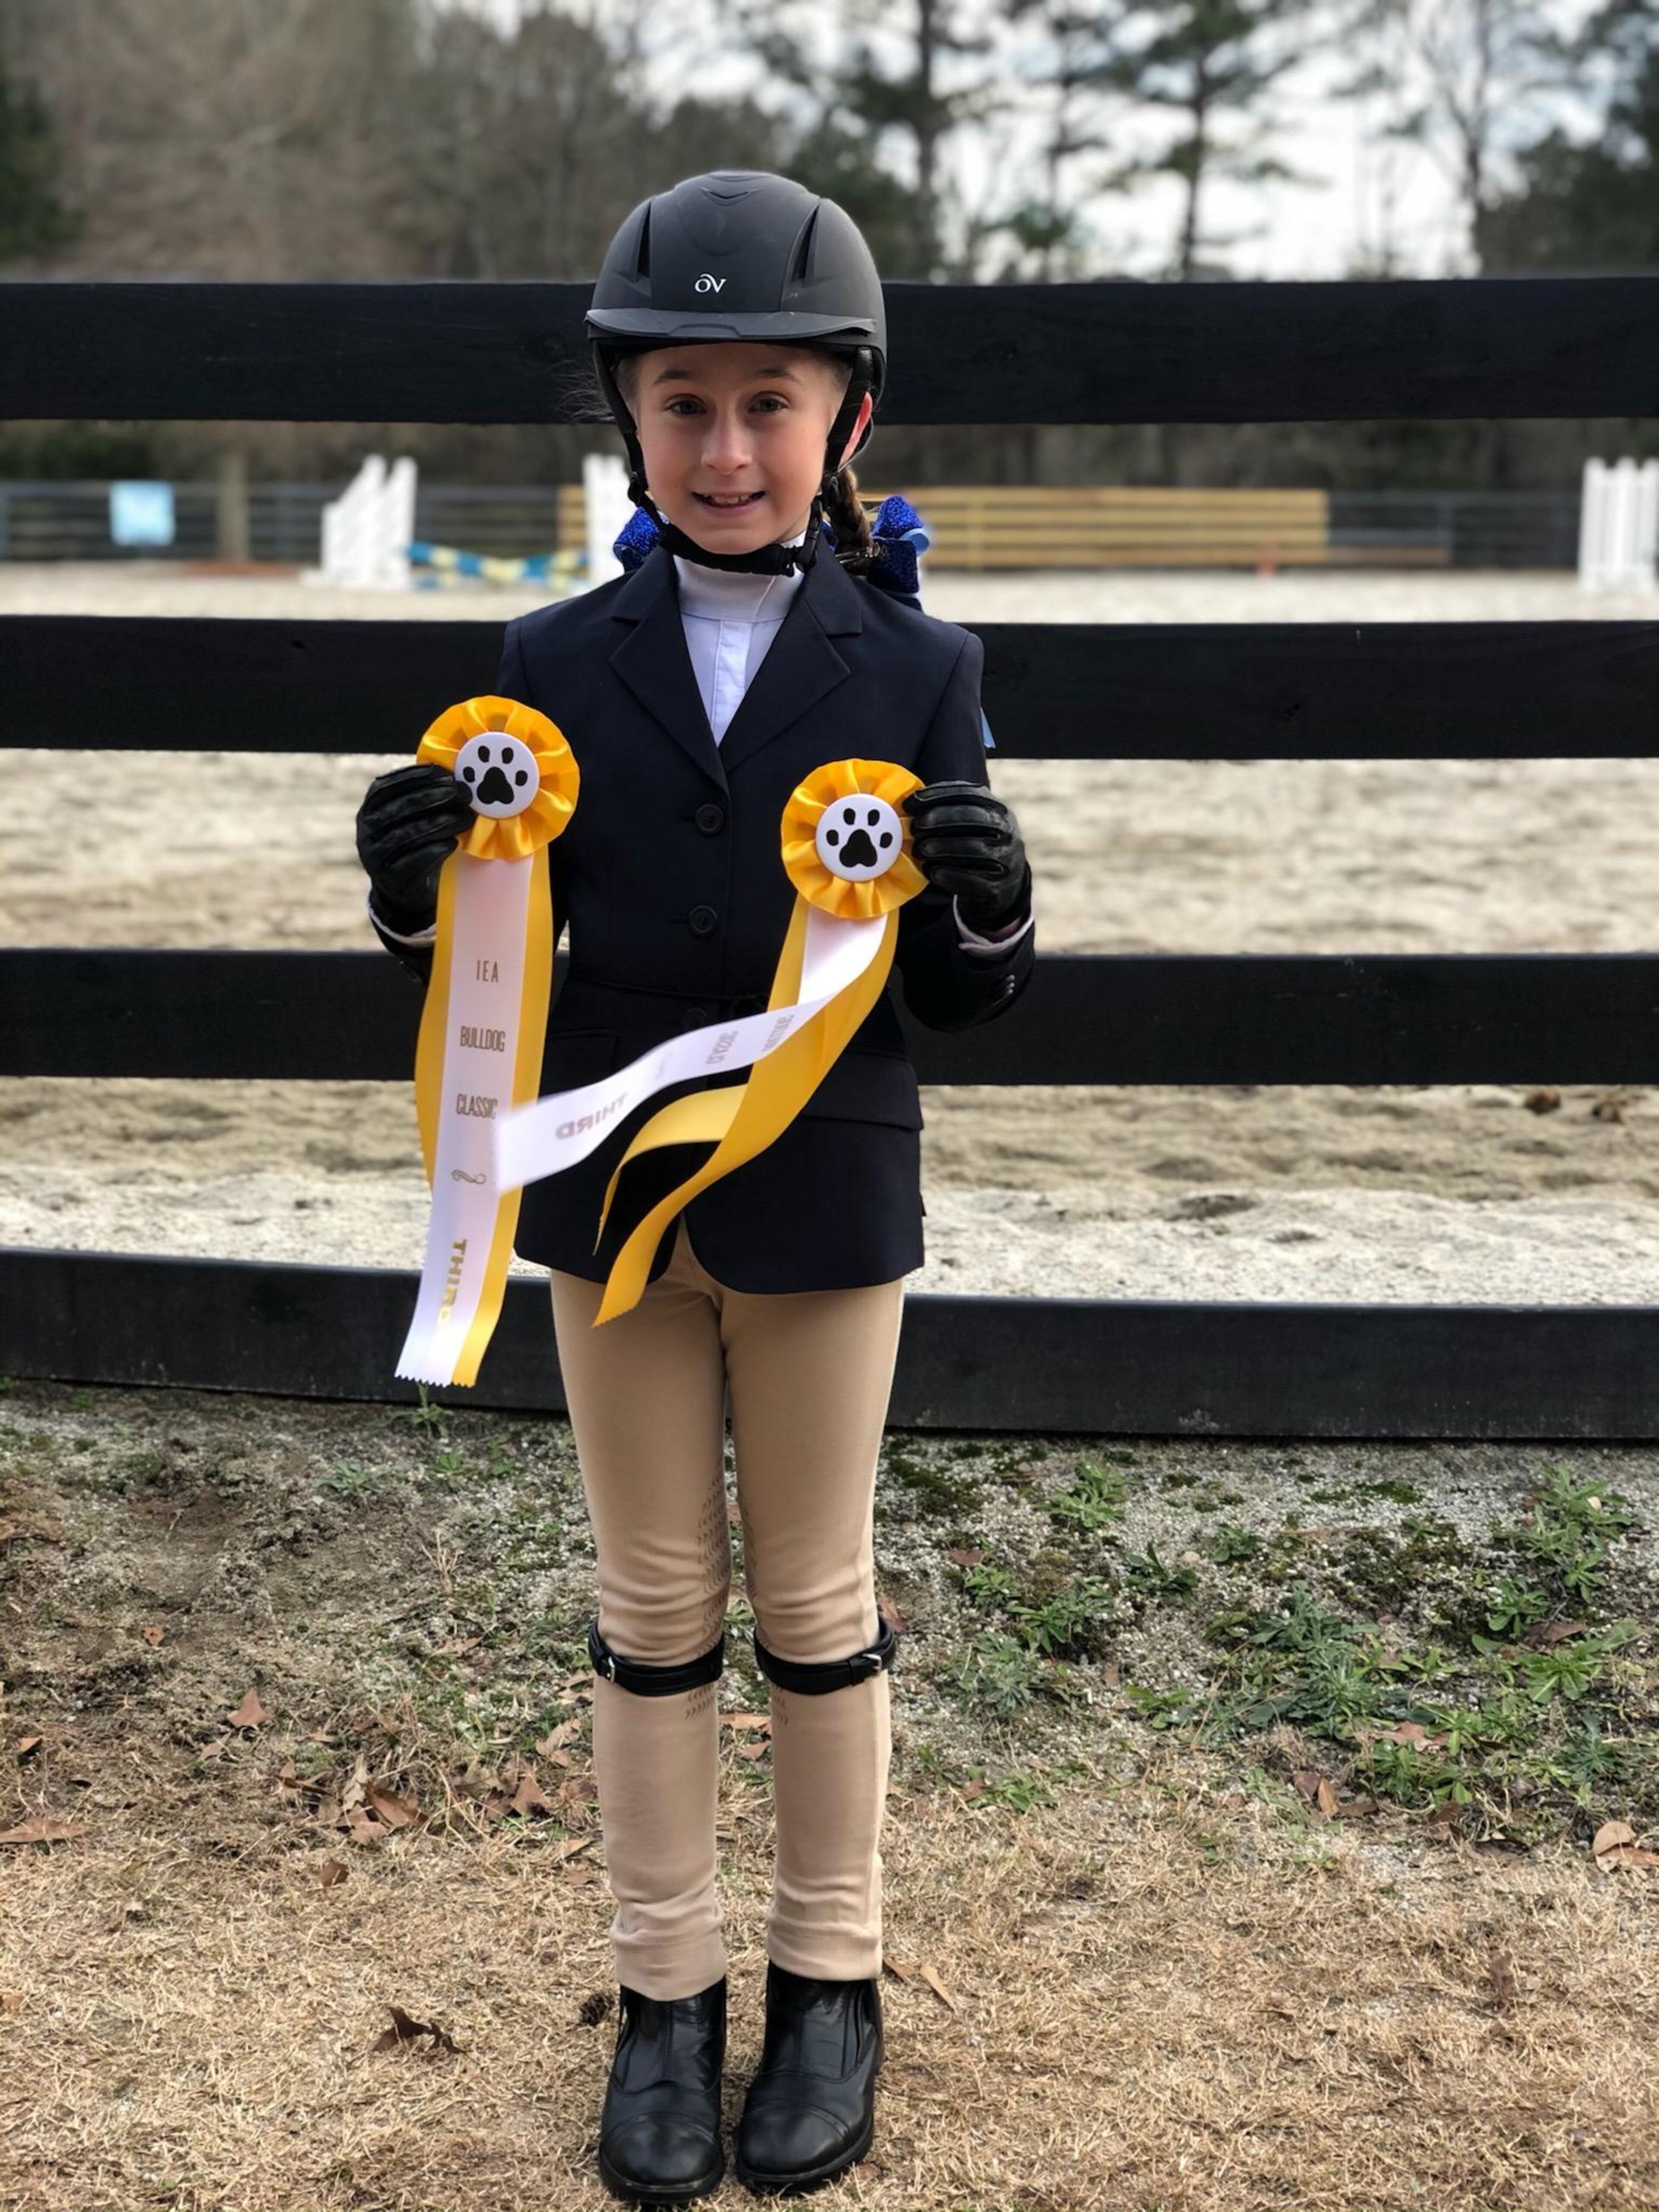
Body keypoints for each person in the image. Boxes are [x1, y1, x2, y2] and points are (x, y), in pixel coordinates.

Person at [354, 170, 1035, 2204]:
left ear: (847, 416)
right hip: (614, 1200)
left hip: (826, 1195)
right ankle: (665, 1989)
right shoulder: (545, 657)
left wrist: (988, 912)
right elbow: (501, 947)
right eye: (683, 405)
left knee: (815, 1597)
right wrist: (414, 898)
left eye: (767, 404)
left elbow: (957, 995)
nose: (726, 448)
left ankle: (833, 1973)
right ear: (628, 419)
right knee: (652, 1600)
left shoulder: (921, 666)